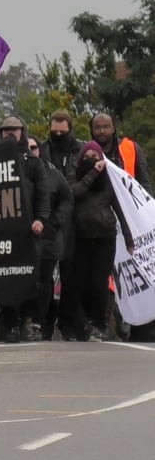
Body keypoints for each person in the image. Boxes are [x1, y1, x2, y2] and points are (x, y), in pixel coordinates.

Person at [68, 139, 135, 341]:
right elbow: (75, 193)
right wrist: (92, 173)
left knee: (99, 283)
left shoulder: (109, 181)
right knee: (82, 282)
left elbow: (120, 209)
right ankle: (85, 321)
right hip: (81, 237)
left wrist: (128, 236)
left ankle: (100, 323)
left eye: (95, 157)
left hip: (105, 237)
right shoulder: (74, 177)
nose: (91, 160)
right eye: (87, 157)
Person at [0, 115, 50, 342]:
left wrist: (40, 219)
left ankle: (29, 321)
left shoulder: (34, 162)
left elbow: (43, 196)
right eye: (6, 130)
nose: (10, 133)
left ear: (22, 131)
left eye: (14, 129)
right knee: (5, 277)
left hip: (28, 231)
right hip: (2, 231)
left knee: (31, 276)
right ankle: (10, 324)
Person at [38, 110, 85, 340]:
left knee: (69, 273)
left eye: (62, 131)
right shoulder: (42, 149)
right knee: (45, 273)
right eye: (53, 131)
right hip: (47, 217)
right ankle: (45, 321)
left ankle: (67, 323)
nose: (57, 134)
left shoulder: (82, 149)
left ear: (70, 129)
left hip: (74, 219)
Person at [28, 136, 73, 341]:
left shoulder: (54, 174)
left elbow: (67, 199)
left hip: (49, 237)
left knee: (44, 280)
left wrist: (54, 223)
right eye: (27, 147)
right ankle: (19, 323)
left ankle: (39, 323)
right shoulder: (14, 172)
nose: (31, 151)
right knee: (25, 280)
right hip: (23, 238)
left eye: (34, 147)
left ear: (40, 149)